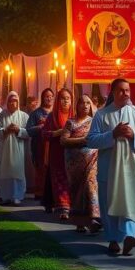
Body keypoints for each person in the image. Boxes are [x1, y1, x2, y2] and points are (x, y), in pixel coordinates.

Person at [86, 78, 135, 256]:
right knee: (110, 202)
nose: (125, 93)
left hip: (132, 167)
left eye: (128, 90)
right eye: (121, 90)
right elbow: (91, 139)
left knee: (133, 200)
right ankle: (114, 239)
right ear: (113, 92)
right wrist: (112, 134)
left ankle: (130, 235)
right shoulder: (102, 114)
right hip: (109, 168)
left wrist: (134, 135)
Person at [61, 94, 100, 233]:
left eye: (88, 103)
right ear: (76, 105)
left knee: (90, 186)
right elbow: (63, 141)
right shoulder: (71, 122)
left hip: (92, 161)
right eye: (82, 103)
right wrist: (83, 140)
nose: (85, 106)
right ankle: (80, 222)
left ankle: (94, 218)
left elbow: (98, 138)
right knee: (77, 191)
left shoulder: (94, 121)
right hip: (74, 164)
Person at [0, 91, 30, 205]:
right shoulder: (1, 116)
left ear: (18, 102)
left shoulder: (24, 116)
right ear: (7, 102)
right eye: (10, 101)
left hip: (19, 149)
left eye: (15, 101)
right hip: (4, 150)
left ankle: (17, 195)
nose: (13, 103)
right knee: (4, 172)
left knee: (17, 171)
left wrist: (18, 130)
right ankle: (4, 195)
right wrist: (6, 130)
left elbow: (29, 132)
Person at [42, 88, 73, 218]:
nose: (65, 101)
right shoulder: (52, 116)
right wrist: (58, 133)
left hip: (73, 154)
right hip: (57, 154)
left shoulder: (75, 115)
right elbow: (44, 134)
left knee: (71, 180)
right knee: (60, 180)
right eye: (62, 98)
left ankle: (72, 206)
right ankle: (63, 207)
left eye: (68, 98)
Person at [27, 88, 55, 200]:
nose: (49, 98)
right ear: (42, 98)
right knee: (41, 169)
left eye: (51, 96)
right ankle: (40, 192)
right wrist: (40, 127)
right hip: (39, 146)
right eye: (46, 96)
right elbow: (28, 130)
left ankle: (52, 193)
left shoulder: (57, 112)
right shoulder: (36, 113)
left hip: (54, 146)